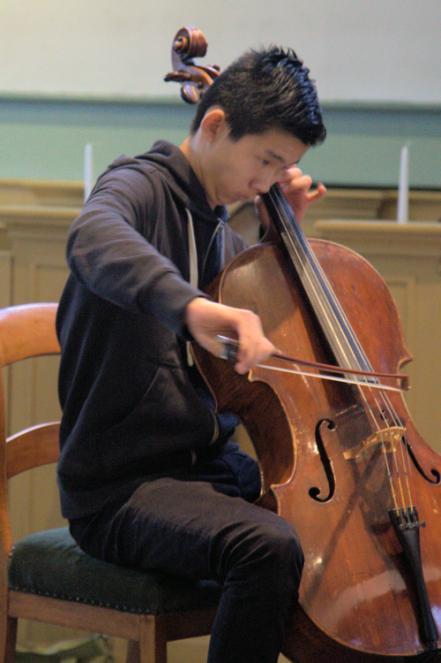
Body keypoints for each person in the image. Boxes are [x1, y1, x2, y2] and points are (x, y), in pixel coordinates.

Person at [56, 45, 327, 663]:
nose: (269, 181)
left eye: (283, 167)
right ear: (213, 125)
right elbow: (91, 235)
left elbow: (265, 333)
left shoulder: (218, 229)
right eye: (266, 160)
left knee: (347, 532)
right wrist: (192, 309)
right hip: (121, 488)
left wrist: (284, 232)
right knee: (265, 547)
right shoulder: (138, 186)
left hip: (206, 473)